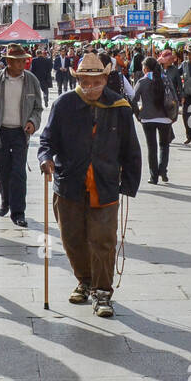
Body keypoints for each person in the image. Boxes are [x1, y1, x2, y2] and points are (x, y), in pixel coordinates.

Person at [38, 51, 141, 317]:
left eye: (96, 82)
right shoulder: (64, 105)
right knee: (72, 239)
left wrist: (128, 183)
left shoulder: (119, 107)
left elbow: (131, 149)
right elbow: (47, 141)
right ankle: (85, 281)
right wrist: (46, 158)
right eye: (85, 81)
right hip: (69, 184)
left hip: (105, 185)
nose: (90, 87)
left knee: (103, 241)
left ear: (106, 78)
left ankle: (103, 292)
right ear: (79, 79)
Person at [0, 43, 44, 227]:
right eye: (18, 61)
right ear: (9, 62)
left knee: (18, 172)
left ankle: (18, 212)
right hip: (0, 131)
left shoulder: (31, 80)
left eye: (24, 60)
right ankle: (5, 201)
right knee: (2, 170)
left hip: (20, 132)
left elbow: (38, 107)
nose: (23, 64)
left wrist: (32, 122)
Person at [134, 56, 177, 185]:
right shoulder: (166, 79)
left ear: (146, 68)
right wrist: (173, 116)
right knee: (164, 145)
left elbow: (133, 100)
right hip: (165, 118)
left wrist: (138, 114)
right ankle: (163, 170)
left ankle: (154, 177)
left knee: (152, 148)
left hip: (147, 119)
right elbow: (174, 97)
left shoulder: (142, 82)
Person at [159, 49, 184, 143]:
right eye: (168, 59)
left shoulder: (174, 70)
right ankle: (168, 136)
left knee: (170, 116)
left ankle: (169, 135)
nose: (170, 61)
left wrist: (181, 96)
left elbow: (179, 84)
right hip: (160, 96)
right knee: (163, 116)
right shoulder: (158, 68)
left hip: (171, 97)